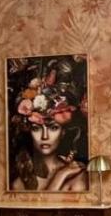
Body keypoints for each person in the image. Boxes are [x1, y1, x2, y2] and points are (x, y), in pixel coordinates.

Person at [9, 58, 88, 192]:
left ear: (63, 132)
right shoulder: (20, 181)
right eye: (36, 128)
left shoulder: (77, 176)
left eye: (53, 128)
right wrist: (60, 176)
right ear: (28, 131)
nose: (44, 136)